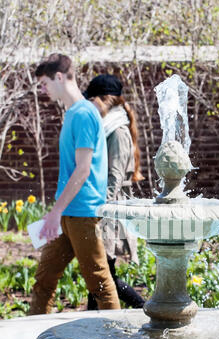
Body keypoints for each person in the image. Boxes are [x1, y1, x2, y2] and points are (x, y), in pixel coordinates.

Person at [28, 54, 120, 315]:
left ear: (59, 77)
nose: (43, 89)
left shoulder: (82, 114)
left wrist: (56, 212)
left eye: (45, 83)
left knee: (100, 283)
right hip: (68, 213)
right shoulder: (72, 114)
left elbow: (82, 169)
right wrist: (56, 212)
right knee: (44, 280)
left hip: (83, 213)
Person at [83, 74, 145, 310]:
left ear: (103, 99)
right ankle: (92, 322)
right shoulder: (109, 128)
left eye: (92, 101)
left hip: (111, 211)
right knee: (101, 275)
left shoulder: (118, 132)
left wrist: (99, 212)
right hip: (106, 207)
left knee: (102, 275)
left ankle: (146, 309)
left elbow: (115, 178)